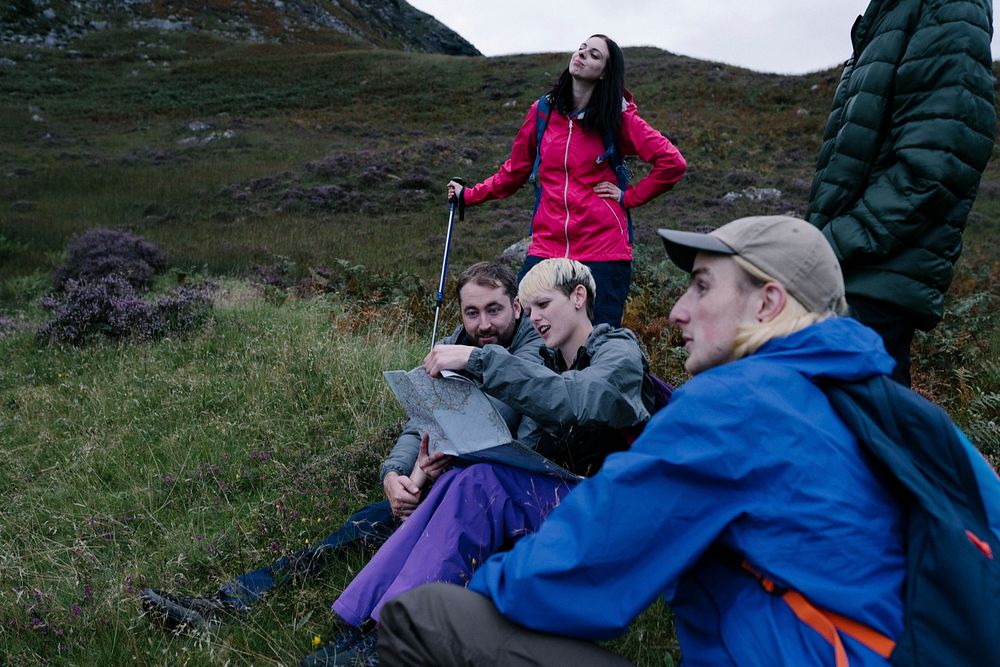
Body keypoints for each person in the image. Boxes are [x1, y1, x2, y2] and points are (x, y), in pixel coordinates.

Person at [376, 216, 1000, 666]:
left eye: (701, 286)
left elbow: (575, 573)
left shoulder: (738, 404)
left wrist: (481, 604)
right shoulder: (911, 419)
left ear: (768, 303)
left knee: (428, 618)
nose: (677, 310)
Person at [140, 261, 544, 627]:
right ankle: (224, 604)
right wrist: (395, 475)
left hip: (482, 502)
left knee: (395, 549)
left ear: (517, 308)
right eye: (472, 313)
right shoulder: (454, 346)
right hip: (435, 482)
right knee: (351, 531)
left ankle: (363, 637)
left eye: (494, 309)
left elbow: (491, 421)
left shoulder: (533, 356)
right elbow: (419, 421)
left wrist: (422, 475)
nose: (483, 324)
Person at [299, 258, 655, 666]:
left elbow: (576, 399)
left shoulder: (619, 351)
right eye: (531, 308)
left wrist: (476, 360)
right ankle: (368, 618)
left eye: (543, 304)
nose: (536, 319)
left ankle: (392, 638)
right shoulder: (554, 360)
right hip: (566, 500)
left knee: (481, 482)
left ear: (579, 297)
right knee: (462, 479)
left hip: (607, 514)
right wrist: (406, 470)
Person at [806, 0, 995, 387]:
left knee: (859, 433)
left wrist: (830, 245)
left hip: (873, 281)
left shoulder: (950, 6)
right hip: (848, 275)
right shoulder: (893, 10)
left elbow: (935, 165)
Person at [448, 34, 687, 328]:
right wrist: (469, 195)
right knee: (521, 329)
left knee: (596, 342)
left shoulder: (618, 118)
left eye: (595, 55)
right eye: (582, 48)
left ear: (604, 74)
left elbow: (672, 162)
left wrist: (629, 198)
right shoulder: (543, 112)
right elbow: (515, 172)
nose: (583, 54)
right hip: (547, 247)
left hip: (602, 250)